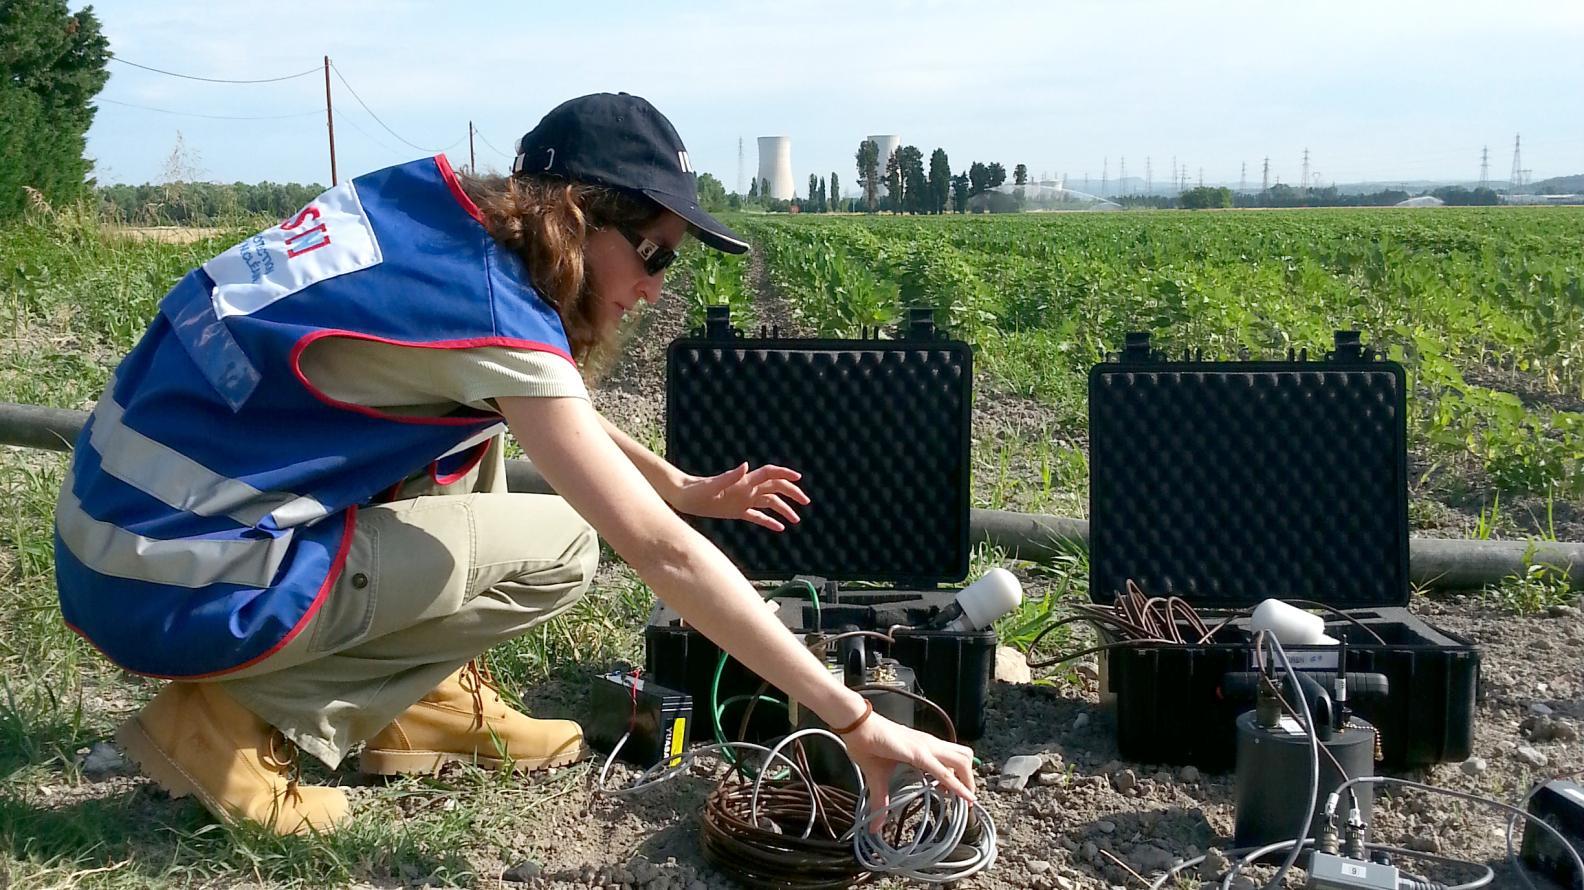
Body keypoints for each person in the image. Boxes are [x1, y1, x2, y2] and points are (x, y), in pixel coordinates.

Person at [54, 92, 976, 836]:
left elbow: (530, 399)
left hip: (125, 537)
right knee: (568, 546)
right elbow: (660, 552)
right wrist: (852, 718)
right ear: (581, 218)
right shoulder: (497, 317)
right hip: (174, 580)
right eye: (652, 253)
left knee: (475, 428)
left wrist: (684, 486)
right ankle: (230, 727)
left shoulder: (435, 222)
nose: (656, 286)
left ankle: (412, 705)